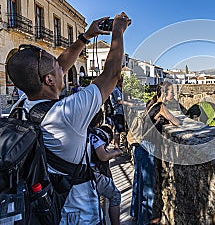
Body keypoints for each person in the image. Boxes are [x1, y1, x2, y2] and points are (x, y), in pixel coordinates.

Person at [7, 12, 131, 224]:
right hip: (77, 212)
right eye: (55, 66)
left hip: (47, 203)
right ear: (49, 79)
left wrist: (85, 37)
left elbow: (59, 66)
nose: (60, 67)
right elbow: (111, 74)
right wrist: (118, 31)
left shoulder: (21, 108)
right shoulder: (66, 113)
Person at [130, 81, 180, 225]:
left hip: (139, 147)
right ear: (164, 93)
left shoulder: (151, 104)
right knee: (147, 187)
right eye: (171, 92)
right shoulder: (161, 106)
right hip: (148, 148)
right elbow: (177, 122)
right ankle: (144, 221)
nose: (173, 95)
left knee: (138, 183)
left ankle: (135, 214)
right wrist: (168, 120)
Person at [89, 109, 123, 225]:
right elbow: (103, 157)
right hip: (94, 172)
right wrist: (116, 152)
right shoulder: (95, 135)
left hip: (81, 172)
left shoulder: (80, 131)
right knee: (115, 196)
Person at [110, 77, 125, 149]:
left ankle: (117, 147)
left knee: (117, 130)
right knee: (118, 131)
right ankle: (117, 147)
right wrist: (130, 104)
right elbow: (119, 102)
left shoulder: (117, 90)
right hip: (118, 112)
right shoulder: (116, 90)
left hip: (118, 112)